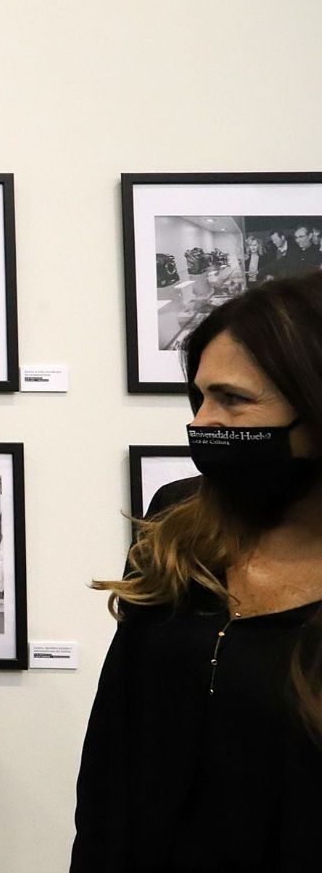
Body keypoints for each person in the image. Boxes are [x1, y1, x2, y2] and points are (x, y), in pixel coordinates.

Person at [74, 273, 322, 872]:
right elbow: (114, 749)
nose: (203, 421)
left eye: (233, 400)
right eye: (200, 397)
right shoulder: (177, 525)